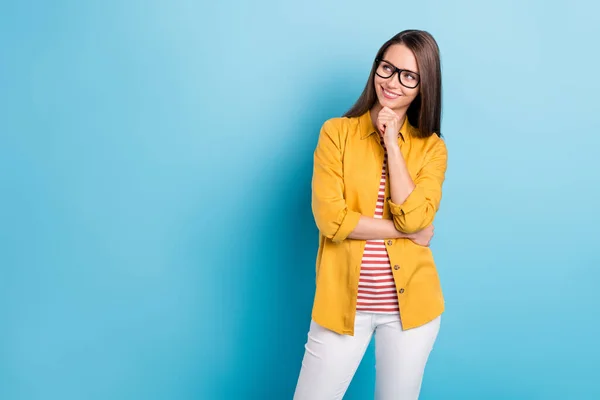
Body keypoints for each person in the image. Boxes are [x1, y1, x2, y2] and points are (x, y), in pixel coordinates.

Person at [293, 30, 448, 400]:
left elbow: (413, 217)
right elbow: (332, 220)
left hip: (412, 312)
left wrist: (393, 143)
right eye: (387, 68)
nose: (393, 82)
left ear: (423, 85)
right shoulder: (336, 133)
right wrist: (409, 234)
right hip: (341, 306)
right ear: (375, 68)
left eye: (408, 76)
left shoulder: (432, 149)